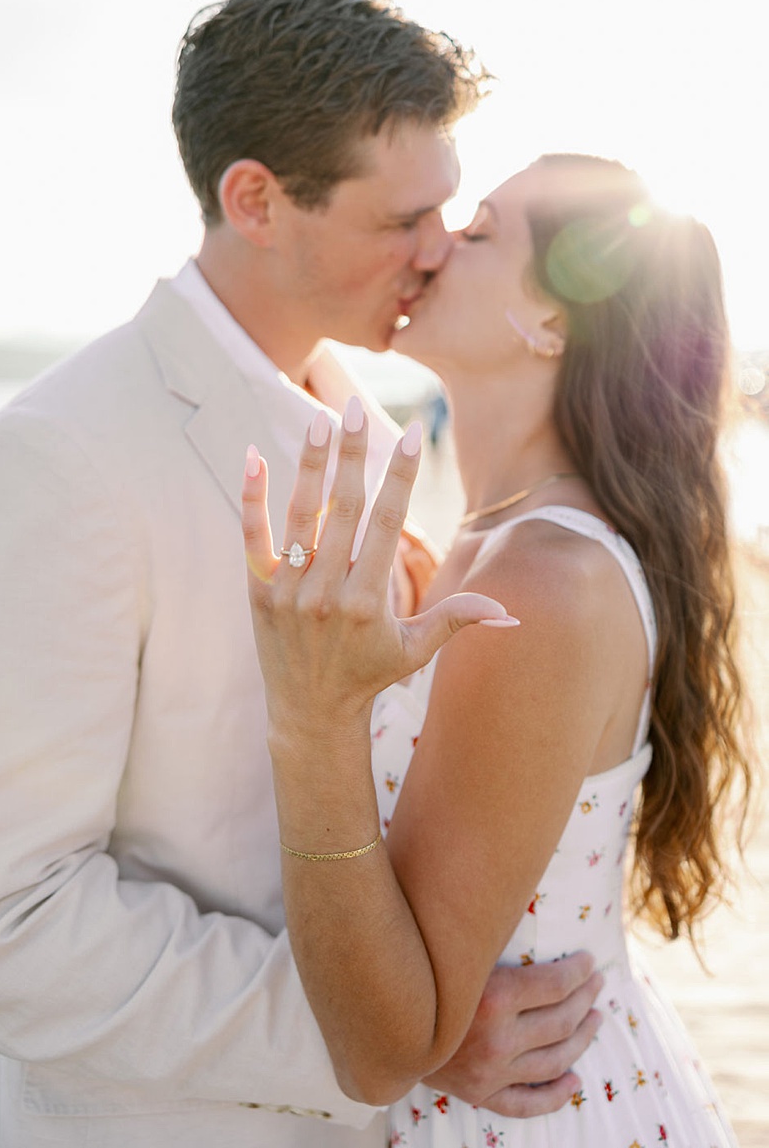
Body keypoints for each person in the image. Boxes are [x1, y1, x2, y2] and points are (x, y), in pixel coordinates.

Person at [0, 0, 605, 1146]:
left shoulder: (375, 439)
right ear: (255, 199)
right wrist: (403, 1039)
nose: (439, 250)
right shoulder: (56, 458)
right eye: (402, 221)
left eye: (445, 211)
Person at [241, 154, 746, 1145]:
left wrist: (313, 717)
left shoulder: (543, 581)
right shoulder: (493, 538)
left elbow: (384, 1046)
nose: (431, 245)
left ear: (551, 321)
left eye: (474, 234)